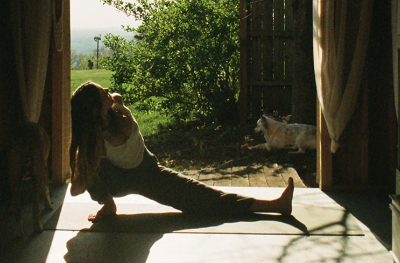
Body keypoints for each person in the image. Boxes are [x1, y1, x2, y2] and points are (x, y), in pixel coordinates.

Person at [69, 81, 294, 221]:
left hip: (147, 172)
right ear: (96, 110)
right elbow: (76, 189)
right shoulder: (93, 139)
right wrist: (86, 173)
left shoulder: (119, 112)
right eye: (102, 92)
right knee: (86, 160)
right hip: (116, 177)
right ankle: (108, 205)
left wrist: (96, 134)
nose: (107, 89)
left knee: (205, 198)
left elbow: (116, 129)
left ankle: (276, 205)